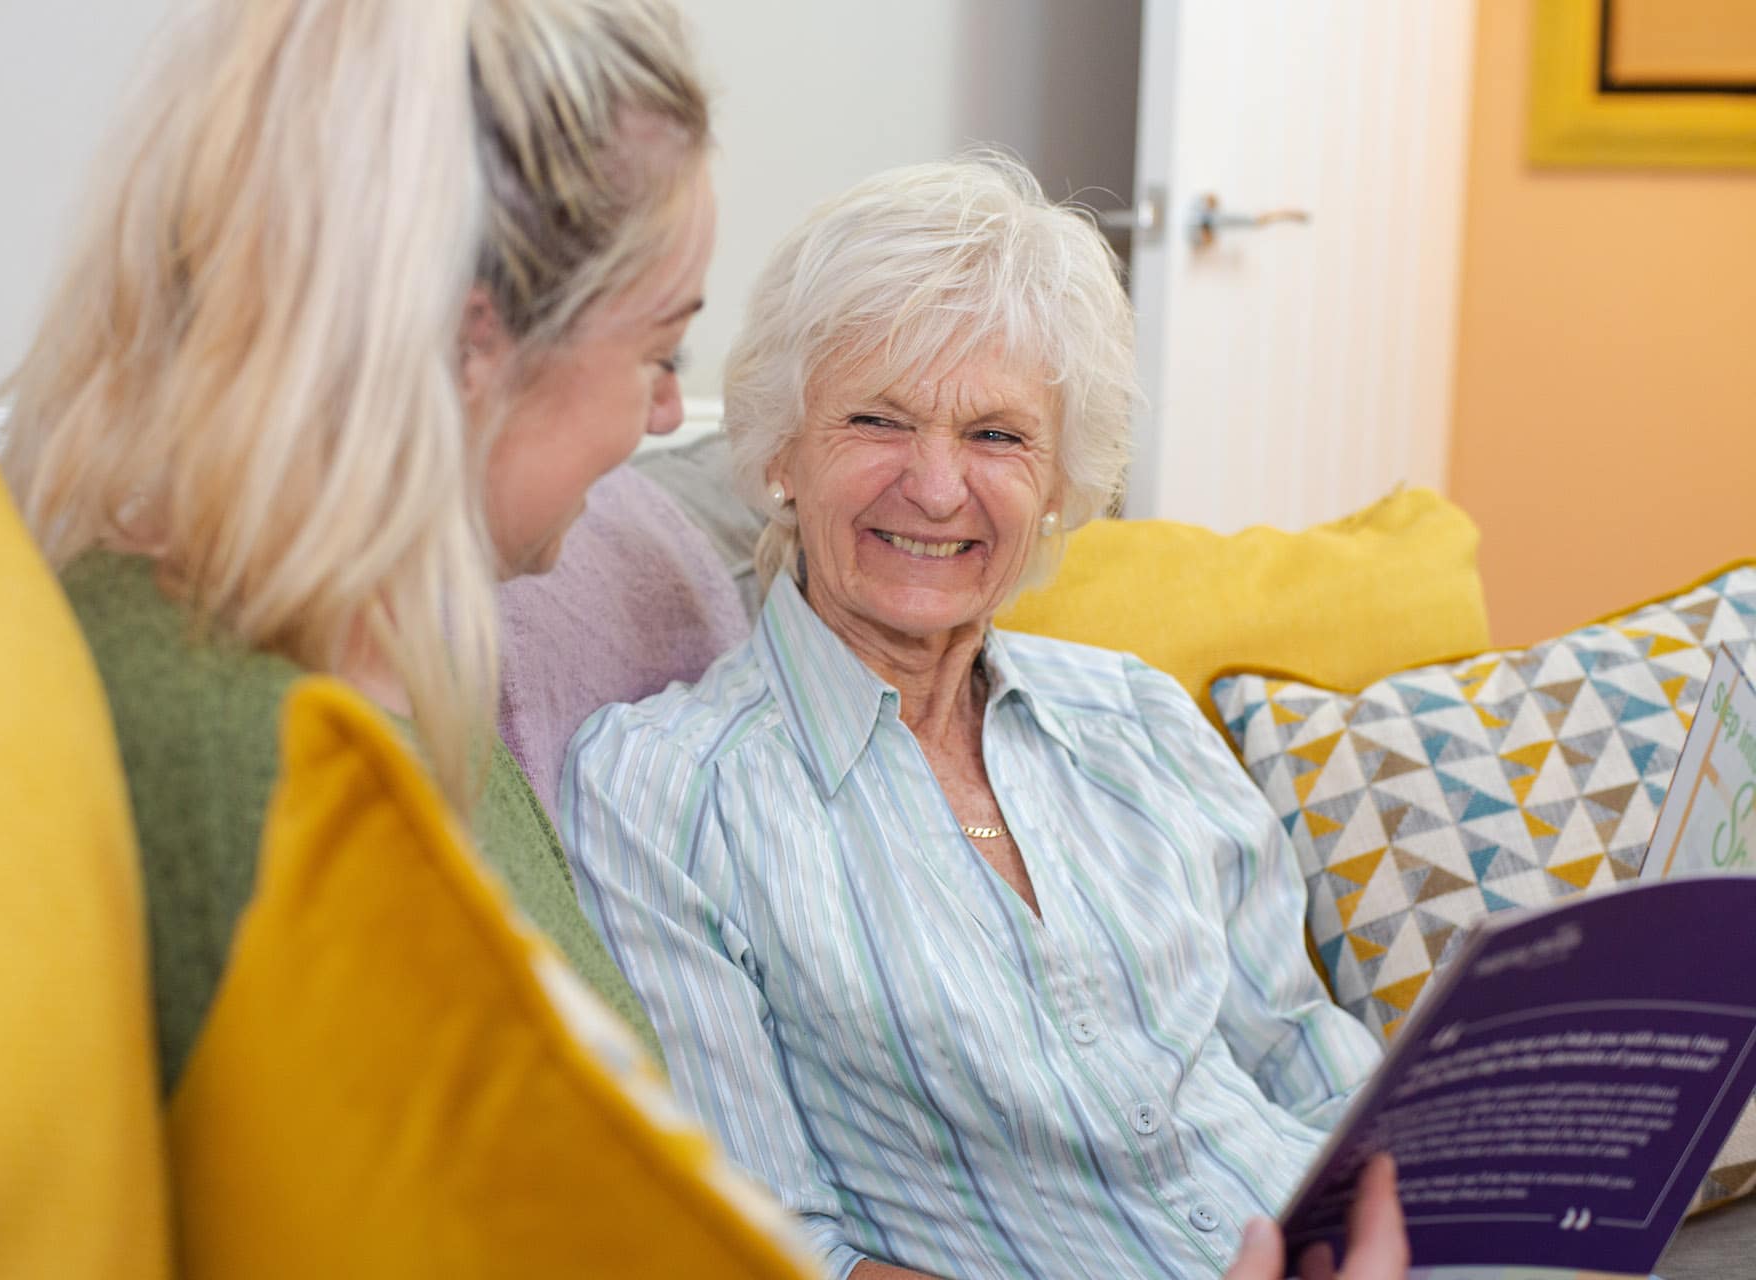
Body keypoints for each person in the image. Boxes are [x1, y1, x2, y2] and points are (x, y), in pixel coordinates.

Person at [560, 154, 1401, 1279]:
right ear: (778, 453)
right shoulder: (661, 790)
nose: (940, 486)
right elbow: (771, 1244)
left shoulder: (1142, 719)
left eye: (999, 436)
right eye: (878, 420)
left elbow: (1308, 1062)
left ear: (1060, 480)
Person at [0, 0, 713, 1091]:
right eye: (659, 350)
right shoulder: (269, 779)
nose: (669, 412)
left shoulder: (390, 653)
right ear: (474, 344)